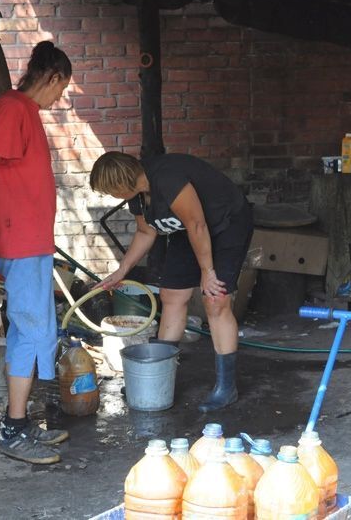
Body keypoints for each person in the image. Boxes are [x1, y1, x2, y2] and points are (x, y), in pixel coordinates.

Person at [89, 152, 254, 412]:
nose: (110, 195)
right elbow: (146, 231)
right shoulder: (138, 196)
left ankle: (226, 387)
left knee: (215, 299)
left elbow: (197, 224)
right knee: (171, 296)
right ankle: (158, 375)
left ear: (122, 182)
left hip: (225, 224)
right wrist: (122, 270)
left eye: (110, 190)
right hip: (187, 230)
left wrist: (207, 271)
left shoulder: (166, 178)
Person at [0, 41, 71, 464]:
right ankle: (12, 430)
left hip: (32, 241)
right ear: (51, 77)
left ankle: (22, 423)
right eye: (60, 89)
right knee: (31, 332)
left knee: (35, 332)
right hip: (20, 242)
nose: (59, 98)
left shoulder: (23, 112)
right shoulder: (13, 108)